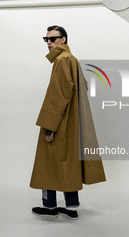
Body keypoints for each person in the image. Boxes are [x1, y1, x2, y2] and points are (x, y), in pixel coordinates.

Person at [30, 25, 106, 220]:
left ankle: (50, 206)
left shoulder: (62, 61)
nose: (49, 43)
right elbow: (82, 87)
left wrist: (49, 126)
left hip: (60, 120)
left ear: (63, 40)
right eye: (46, 39)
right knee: (68, 163)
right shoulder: (72, 59)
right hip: (72, 122)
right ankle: (71, 206)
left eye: (53, 39)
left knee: (48, 163)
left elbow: (58, 95)